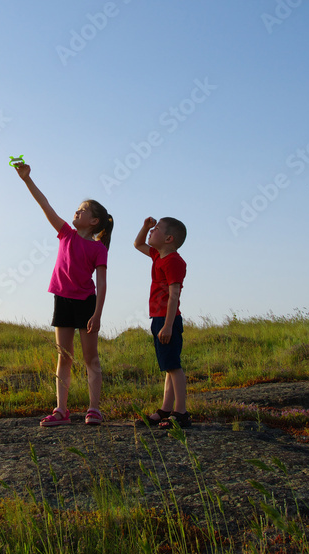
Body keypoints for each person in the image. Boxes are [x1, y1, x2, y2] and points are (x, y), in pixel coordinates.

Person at [14, 162, 112, 426]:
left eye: (83, 210)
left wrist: (97, 314)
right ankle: (61, 410)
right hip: (63, 301)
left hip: (87, 305)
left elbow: (102, 284)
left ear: (94, 221)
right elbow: (44, 203)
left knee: (91, 358)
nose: (77, 211)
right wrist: (27, 179)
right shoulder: (65, 233)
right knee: (64, 357)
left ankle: (94, 409)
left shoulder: (98, 248)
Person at [134, 216, 190, 429]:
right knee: (168, 366)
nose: (151, 232)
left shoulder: (174, 261)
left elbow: (174, 295)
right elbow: (138, 244)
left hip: (169, 319)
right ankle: (166, 409)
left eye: (155, 229)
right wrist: (144, 226)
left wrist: (167, 326)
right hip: (158, 318)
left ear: (168, 238)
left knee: (174, 366)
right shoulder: (157, 255)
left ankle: (181, 412)